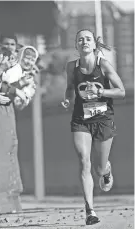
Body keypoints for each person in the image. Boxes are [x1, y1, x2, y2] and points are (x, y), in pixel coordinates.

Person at [61, 29, 125, 225]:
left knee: (98, 168)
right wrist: (67, 99)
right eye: (80, 39)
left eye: (88, 39)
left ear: (94, 45)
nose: (84, 42)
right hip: (81, 119)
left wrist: (101, 90)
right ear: (76, 45)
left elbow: (121, 91)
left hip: (103, 118)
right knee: (84, 161)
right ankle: (90, 210)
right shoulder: (71, 66)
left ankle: (106, 170)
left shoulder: (103, 65)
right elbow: (70, 88)